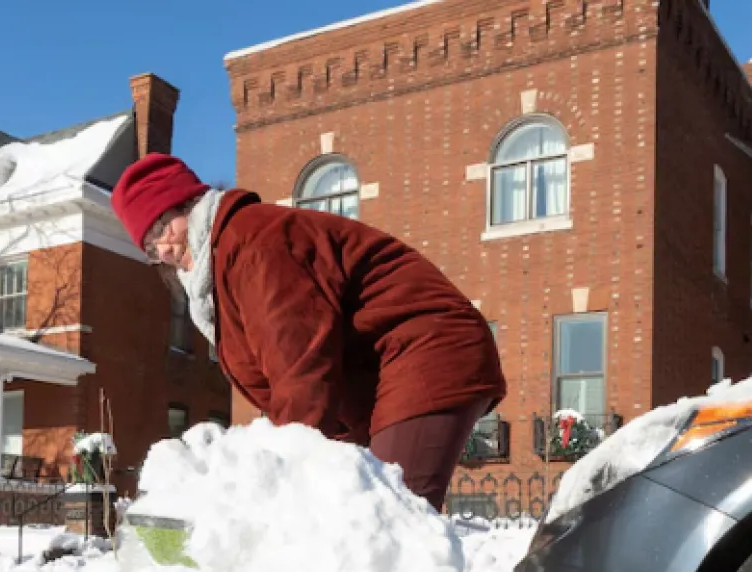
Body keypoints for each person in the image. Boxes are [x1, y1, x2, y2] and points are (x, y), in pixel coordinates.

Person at [110, 153, 507, 513]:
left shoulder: (252, 242)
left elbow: (299, 366)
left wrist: (282, 468)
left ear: (189, 204)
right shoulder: (222, 267)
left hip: (426, 350)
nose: (162, 249)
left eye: (163, 227)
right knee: (345, 518)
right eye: (149, 245)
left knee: (388, 520)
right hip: (384, 374)